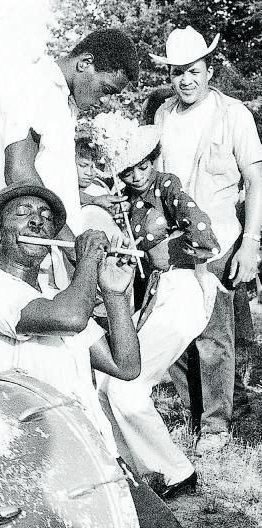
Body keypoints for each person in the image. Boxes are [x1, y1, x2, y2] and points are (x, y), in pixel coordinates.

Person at [0, 183, 204, 528]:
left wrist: (115, 294)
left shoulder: (61, 295)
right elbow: (69, 317)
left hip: (100, 458)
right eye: (23, 212)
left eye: (46, 217)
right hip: (42, 472)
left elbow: (125, 366)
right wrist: (88, 261)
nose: (38, 220)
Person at [151, 26, 262, 455]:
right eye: (178, 72)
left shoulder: (233, 114)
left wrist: (251, 241)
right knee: (176, 329)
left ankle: (215, 426)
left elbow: (255, 178)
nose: (186, 80)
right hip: (175, 240)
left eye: (193, 71)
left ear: (208, 70)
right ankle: (195, 408)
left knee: (214, 334)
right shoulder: (162, 114)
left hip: (220, 241)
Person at [96, 121, 222, 497]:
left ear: (154, 159)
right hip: (157, 292)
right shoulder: (128, 201)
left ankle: (176, 472)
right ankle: (127, 470)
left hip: (183, 289)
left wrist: (171, 253)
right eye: (127, 170)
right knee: (106, 383)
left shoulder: (167, 185)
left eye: (142, 166)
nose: (136, 176)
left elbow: (205, 236)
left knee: (124, 385)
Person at [0, 28, 139, 237]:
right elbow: (19, 173)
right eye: (106, 89)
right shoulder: (35, 84)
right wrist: (70, 245)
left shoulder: (62, 98)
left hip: (50, 242)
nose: (105, 100)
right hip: (30, 246)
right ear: (85, 63)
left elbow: (53, 177)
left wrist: (93, 202)